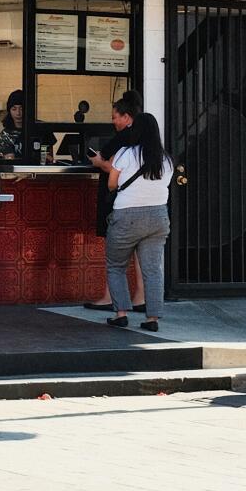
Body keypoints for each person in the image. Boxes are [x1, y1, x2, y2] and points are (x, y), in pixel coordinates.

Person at [90, 110, 173, 333]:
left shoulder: (126, 154)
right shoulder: (166, 159)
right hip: (158, 218)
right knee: (153, 270)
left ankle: (121, 314)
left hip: (127, 217)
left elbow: (111, 184)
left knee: (116, 266)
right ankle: (152, 318)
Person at [84, 91, 146, 313]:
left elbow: (114, 168)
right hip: (143, 201)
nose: (113, 121)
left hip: (118, 197)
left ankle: (111, 298)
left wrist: (98, 161)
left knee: (115, 250)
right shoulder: (145, 136)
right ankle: (141, 296)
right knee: (140, 251)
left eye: (115, 117)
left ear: (126, 116)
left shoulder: (122, 138)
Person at [0, 89, 32, 161]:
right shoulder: (5, 135)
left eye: (22, 108)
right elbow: (9, 159)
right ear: (9, 111)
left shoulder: (39, 128)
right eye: (14, 109)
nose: (18, 113)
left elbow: (48, 156)